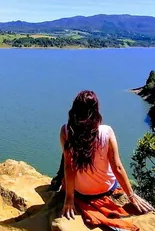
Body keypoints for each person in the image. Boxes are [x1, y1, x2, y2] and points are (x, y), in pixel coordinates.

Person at [51, 90, 154, 219]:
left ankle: (57, 183)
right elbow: (117, 167)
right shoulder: (107, 131)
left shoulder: (66, 130)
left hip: (81, 192)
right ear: (96, 110)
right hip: (106, 189)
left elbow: (69, 167)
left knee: (69, 153)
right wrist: (131, 196)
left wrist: (69, 198)